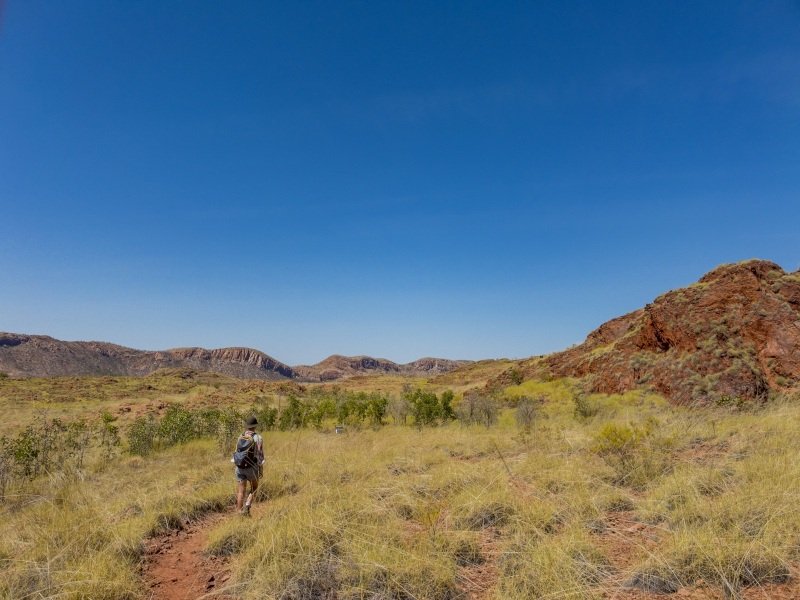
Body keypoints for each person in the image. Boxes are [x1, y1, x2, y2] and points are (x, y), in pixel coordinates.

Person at [235, 416, 264, 516]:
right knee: (254, 488)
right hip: (252, 467)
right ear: (255, 426)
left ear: (247, 426)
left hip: (239, 467)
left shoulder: (240, 436)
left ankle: (239, 512)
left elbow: (237, 452)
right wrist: (260, 467)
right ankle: (247, 506)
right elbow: (260, 455)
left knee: (240, 491)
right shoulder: (258, 437)